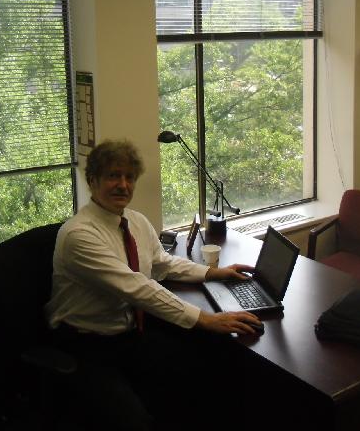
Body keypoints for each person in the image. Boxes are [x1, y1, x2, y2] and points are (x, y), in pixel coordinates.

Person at [46, 138, 261, 430]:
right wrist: (206, 319)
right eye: (113, 176)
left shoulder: (135, 221)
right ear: (92, 180)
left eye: (129, 177)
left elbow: (163, 263)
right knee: (135, 421)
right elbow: (137, 288)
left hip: (129, 335)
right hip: (86, 346)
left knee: (203, 369)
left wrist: (213, 272)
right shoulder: (79, 235)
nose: (123, 185)